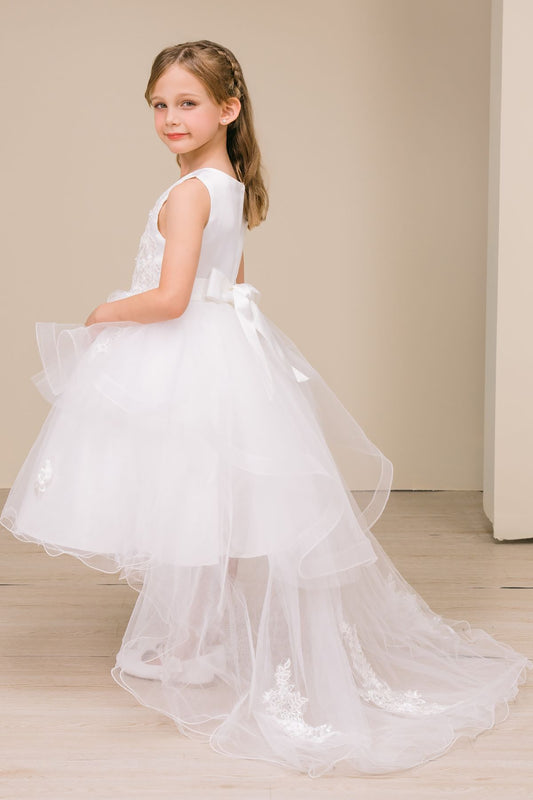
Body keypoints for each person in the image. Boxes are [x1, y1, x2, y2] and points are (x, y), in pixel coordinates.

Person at [1, 39, 531, 778]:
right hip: (220, 353)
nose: (169, 117)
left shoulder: (190, 193)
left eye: (187, 103)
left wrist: (104, 311)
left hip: (182, 350)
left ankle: (190, 648)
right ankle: (199, 638)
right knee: (207, 500)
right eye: (159, 104)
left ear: (228, 107)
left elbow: (174, 297)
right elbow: (238, 287)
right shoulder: (230, 186)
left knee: (186, 498)